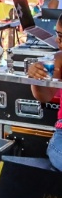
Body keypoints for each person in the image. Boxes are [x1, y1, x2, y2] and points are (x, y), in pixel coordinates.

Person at [26, 13, 62, 171]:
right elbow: (44, 96)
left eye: (60, 35)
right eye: (57, 34)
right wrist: (35, 76)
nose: (56, 39)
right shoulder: (59, 60)